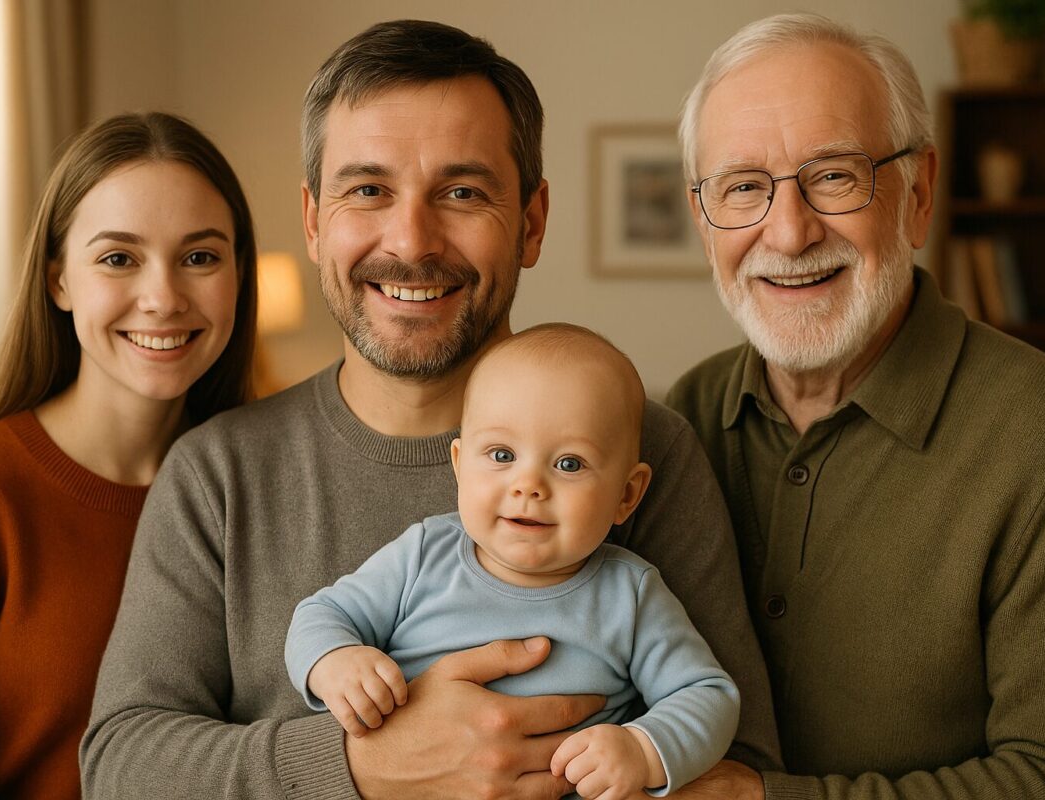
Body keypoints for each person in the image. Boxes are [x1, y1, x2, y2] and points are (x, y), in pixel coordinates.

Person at [82, 19, 780, 800]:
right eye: (369, 189)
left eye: (462, 192)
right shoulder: (219, 474)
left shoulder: (643, 447)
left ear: (532, 222)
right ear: (314, 222)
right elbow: (120, 767)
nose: (411, 240)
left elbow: (744, 768)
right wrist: (358, 765)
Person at [665, 12, 1045, 800]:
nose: (787, 234)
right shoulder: (675, 422)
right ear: (702, 219)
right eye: (744, 187)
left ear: (918, 193)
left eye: (833, 175)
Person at [0, 111, 258, 799]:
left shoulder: (264, 482)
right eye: (119, 258)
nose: (163, 298)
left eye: (200, 257)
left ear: (239, 273)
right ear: (59, 280)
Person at [286, 323, 741, 799]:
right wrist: (335, 661)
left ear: (626, 495)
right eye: (502, 454)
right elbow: (319, 614)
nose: (529, 486)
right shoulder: (424, 555)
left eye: (569, 464)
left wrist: (642, 749)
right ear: (461, 467)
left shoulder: (630, 594)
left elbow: (709, 696)